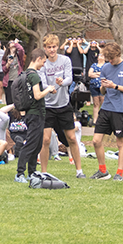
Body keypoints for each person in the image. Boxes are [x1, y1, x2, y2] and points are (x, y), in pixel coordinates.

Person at [39, 34, 86, 180]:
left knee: (71, 138)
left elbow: (69, 78)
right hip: (47, 106)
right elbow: (41, 82)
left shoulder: (65, 59)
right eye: (49, 47)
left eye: (54, 47)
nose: (52, 50)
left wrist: (62, 82)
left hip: (64, 104)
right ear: (45, 48)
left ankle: (79, 170)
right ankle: (44, 172)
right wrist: (49, 88)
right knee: (46, 139)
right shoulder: (42, 63)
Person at [91, 42, 123, 181]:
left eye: (111, 58)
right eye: (108, 59)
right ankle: (103, 171)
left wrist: (115, 86)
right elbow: (102, 90)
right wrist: (104, 86)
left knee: (120, 143)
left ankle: (119, 173)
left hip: (121, 109)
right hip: (106, 108)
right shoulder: (106, 67)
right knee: (96, 140)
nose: (110, 61)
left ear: (118, 54)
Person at [14, 48, 52, 184]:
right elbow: (37, 95)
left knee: (36, 145)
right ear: (39, 59)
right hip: (36, 114)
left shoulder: (25, 74)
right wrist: (48, 89)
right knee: (31, 144)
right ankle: (20, 173)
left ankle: (31, 172)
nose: (44, 64)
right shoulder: (34, 75)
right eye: (43, 61)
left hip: (31, 113)